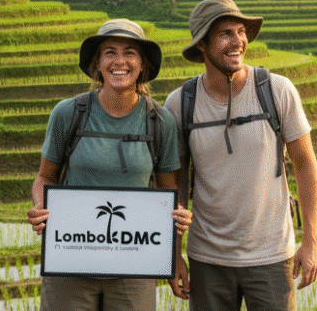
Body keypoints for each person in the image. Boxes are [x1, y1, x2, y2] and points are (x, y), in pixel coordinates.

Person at [164, 0, 317, 311]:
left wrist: (312, 241)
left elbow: (306, 164)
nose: (238, 41)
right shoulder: (181, 102)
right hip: (208, 258)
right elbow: (177, 182)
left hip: (271, 255)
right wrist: (173, 253)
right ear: (201, 46)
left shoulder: (277, 90)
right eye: (225, 33)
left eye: (240, 31)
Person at [26, 18, 193, 311]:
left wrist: (175, 245)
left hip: (135, 264)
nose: (120, 61)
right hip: (71, 261)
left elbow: (169, 192)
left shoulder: (160, 121)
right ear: (98, 64)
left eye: (130, 53)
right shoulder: (68, 113)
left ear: (142, 65)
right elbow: (45, 177)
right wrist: (41, 205)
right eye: (110, 52)